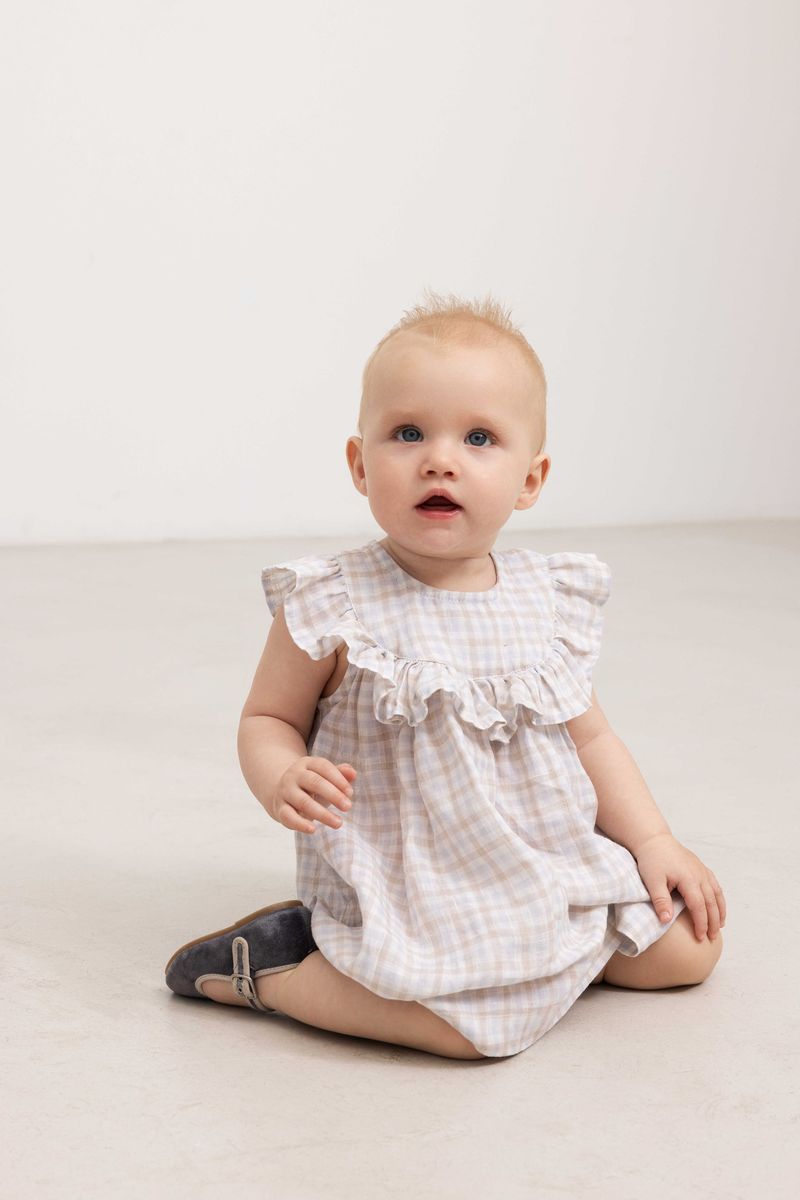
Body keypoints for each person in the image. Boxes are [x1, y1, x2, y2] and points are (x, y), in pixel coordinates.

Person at [164, 291, 726, 1060]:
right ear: (360, 464)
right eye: (407, 433)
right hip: (415, 881)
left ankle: (547, 962)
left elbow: (591, 739)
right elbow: (268, 719)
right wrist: (281, 776)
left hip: (542, 861)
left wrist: (655, 841)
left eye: (480, 437)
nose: (439, 458)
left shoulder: (544, 600)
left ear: (530, 480)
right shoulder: (336, 601)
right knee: (468, 1036)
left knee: (691, 948)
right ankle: (279, 972)